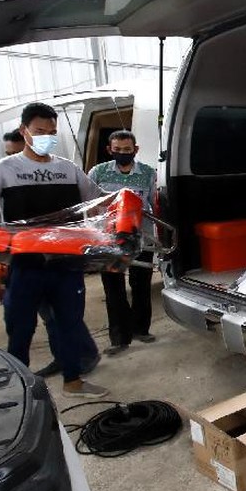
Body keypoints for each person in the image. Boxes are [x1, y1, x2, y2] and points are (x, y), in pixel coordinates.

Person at [0, 102, 109, 398]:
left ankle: (73, 381)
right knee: (20, 326)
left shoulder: (68, 169)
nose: (46, 137)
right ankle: (21, 390)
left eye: (52, 132)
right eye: (39, 131)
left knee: (69, 323)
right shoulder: (3, 170)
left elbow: (99, 202)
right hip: (26, 264)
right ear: (24, 131)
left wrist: (125, 206)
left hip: (66, 264)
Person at [0, 129, 101, 378]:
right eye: (9, 154)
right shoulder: (5, 174)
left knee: (61, 314)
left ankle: (83, 356)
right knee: (47, 314)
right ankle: (66, 358)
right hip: (26, 256)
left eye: (16, 153)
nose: (13, 160)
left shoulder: (59, 174)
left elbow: (94, 201)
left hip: (57, 257)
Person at [88, 130, 158, 355]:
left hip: (141, 238)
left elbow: (154, 204)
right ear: (109, 150)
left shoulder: (148, 173)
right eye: (117, 150)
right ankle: (119, 338)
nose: (122, 153)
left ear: (135, 150)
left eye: (127, 150)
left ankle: (141, 329)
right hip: (109, 240)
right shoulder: (98, 172)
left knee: (141, 285)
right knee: (114, 289)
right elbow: (90, 205)